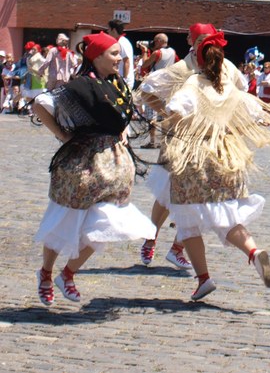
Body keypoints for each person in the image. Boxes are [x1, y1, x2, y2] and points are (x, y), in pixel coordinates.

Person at [157, 32, 270, 299]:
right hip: (226, 156)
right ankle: (253, 252)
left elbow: (175, 110)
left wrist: (169, 125)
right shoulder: (230, 88)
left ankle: (204, 278)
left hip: (195, 157)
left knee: (188, 221)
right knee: (228, 217)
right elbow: (254, 113)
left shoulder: (195, 83)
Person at [32, 32, 156, 305]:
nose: (120, 58)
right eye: (113, 54)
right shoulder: (79, 87)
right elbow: (41, 104)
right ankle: (46, 272)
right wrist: (63, 136)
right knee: (65, 219)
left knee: (108, 223)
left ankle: (68, 273)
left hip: (113, 165)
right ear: (96, 56)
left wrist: (121, 133)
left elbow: (121, 118)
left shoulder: (118, 84)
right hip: (82, 163)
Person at [133, 23, 244, 270]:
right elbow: (147, 90)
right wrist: (168, 114)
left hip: (210, 141)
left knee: (201, 196)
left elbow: (241, 92)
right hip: (181, 140)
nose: (206, 44)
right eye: (201, 39)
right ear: (191, 41)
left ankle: (178, 247)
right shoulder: (183, 68)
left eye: (210, 40)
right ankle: (150, 238)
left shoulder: (226, 67)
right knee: (166, 193)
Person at [107, 19, 134, 89]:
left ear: (114, 30)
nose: (107, 31)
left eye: (109, 29)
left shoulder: (122, 42)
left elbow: (127, 61)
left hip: (124, 81)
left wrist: (124, 79)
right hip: (120, 79)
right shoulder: (120, 41)